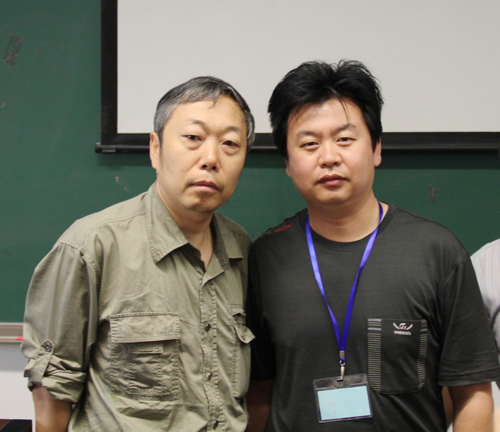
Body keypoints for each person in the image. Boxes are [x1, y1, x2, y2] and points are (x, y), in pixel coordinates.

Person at [245, 60, 500, 431]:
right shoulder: (265, 258)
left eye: (345, 139)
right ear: (287, 161)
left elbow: (472, 393)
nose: (329, 157)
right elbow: (258, 394)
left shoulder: (438, 252)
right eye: (309, 144)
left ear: (377, 148)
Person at [21, 76, 256, 431]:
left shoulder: (242, 248)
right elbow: (53, 388)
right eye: (193, 138)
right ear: (155, 148)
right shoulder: (91, 246)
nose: (211, 158)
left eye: (230, 144)